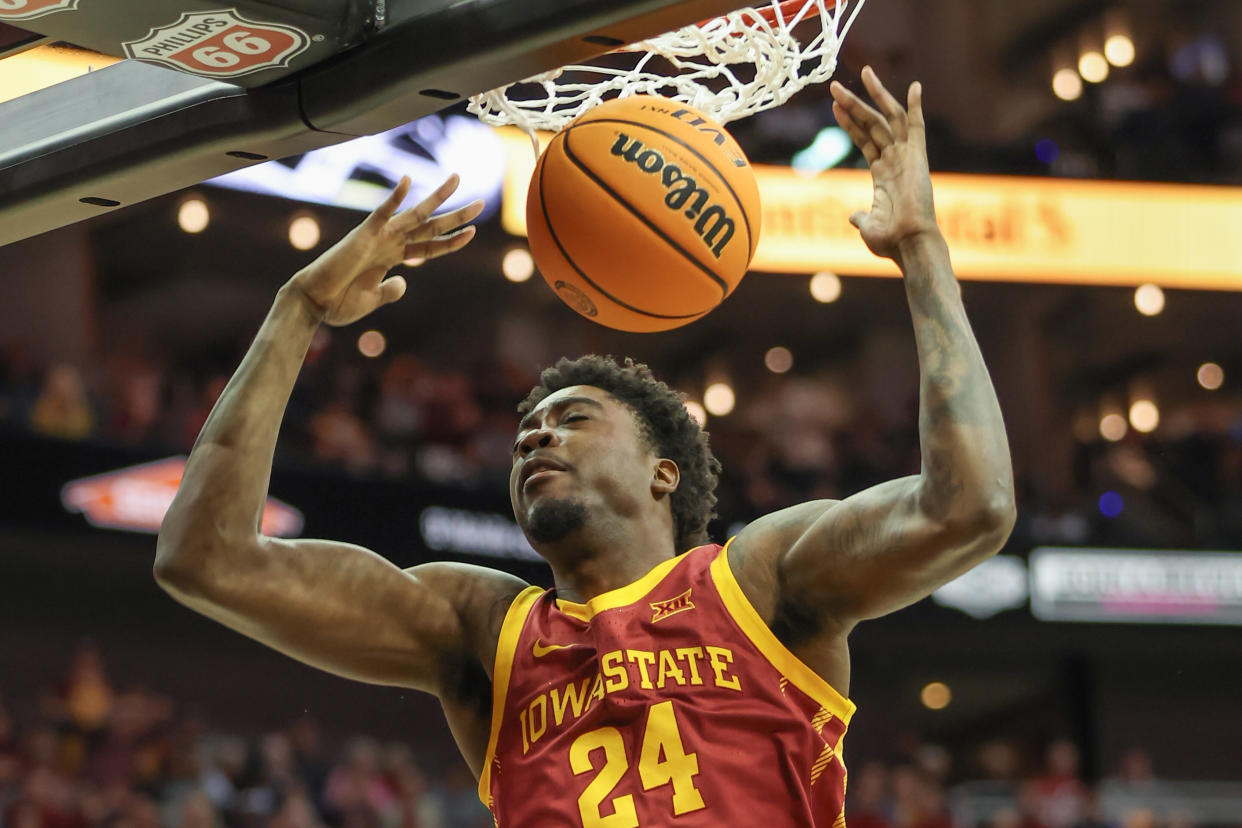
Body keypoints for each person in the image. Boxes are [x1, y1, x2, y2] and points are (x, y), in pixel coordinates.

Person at [155, 67, 1015, 826]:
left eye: (573, 418)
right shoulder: (485, 630)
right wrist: (296, 310)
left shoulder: (758, 583)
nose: (535, 434)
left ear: (661, 472)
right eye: (527, 427)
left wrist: (921, 249)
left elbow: (970, 506)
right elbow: (207, 560)